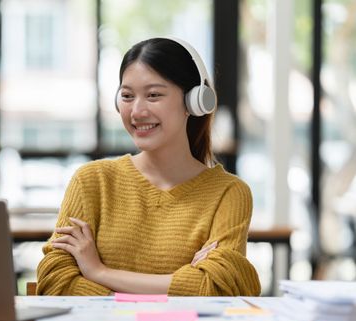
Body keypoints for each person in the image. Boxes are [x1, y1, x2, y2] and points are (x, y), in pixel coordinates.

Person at [36, 37, 261, 296]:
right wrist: (180, 283)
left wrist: (100, 273)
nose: (137, 111)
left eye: (154, 95)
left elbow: (217, 289)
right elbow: (56, 281)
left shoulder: (228, 193)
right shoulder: (92, 181)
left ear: (193, 101)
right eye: (127, 96)